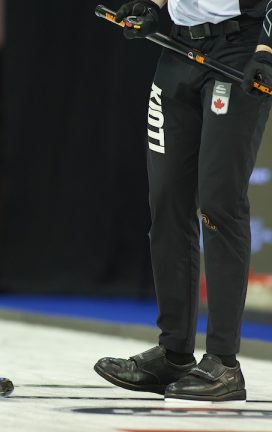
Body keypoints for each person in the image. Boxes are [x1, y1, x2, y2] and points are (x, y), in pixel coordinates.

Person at [94, 0, 272, 402]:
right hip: (177, 49)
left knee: (218, 206)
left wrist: (268, 50)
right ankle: (174, 354)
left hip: (241, 47)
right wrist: (152, 7)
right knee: (167, 204)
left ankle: (224, 363)